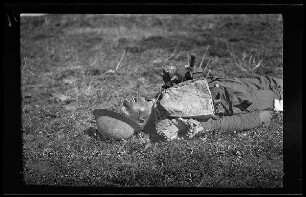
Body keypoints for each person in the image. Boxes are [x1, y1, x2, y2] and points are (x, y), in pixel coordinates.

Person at [120, 63, 283, 142]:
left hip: (227, 84)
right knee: (278, 96)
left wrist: (174, 80)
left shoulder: (158, 101)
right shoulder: (171, 123)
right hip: (240, 102)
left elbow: (186, 93)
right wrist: (256, 119)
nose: (126, 100)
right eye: (127, 107)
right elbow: (217, 124)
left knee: (270, 81)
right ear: (140, 119)